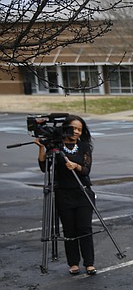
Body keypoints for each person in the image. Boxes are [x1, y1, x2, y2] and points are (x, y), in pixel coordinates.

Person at [35, 115, 97, 275]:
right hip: (63, 193)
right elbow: (44, 167)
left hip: (83, 192)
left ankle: (89, 263)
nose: (76, 131)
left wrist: (75, 165)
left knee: (85, 228)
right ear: (65, 128)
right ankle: (73, 263)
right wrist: (41, 148)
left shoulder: (84, 147)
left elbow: (86, 170)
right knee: (69, 230)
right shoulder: (56, 147)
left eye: (79, 129)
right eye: (73, 128)